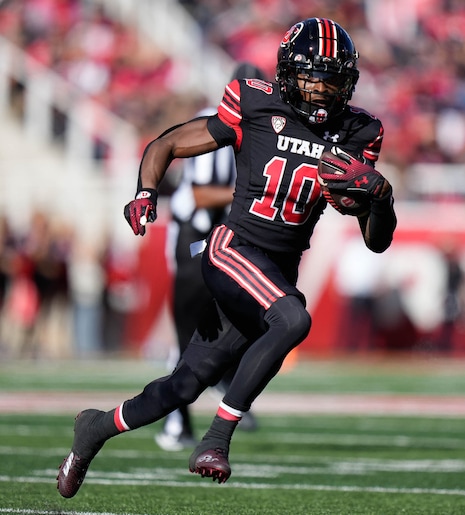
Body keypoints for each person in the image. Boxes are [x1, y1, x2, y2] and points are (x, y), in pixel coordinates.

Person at [57, 17, 396, 498]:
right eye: (312, 76)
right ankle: (217, 440)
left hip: (273, 274)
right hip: (231, 249)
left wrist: (380, 200)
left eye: (332, 78)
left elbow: (376, 240)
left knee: (183, 385)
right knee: (293, 320)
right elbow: (167, 142)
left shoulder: (359, 132)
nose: (321, 90)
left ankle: (94, 429)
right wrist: (145, 192)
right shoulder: (257, 103)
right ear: (287, 72)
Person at [154, 63, 264, 452]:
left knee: (225, 323)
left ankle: (222, 387)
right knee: (188, 333)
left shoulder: (261, 128)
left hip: (219, 236)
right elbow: (202, 194)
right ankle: (176, 418)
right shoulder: (215, 123)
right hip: (195, 238)